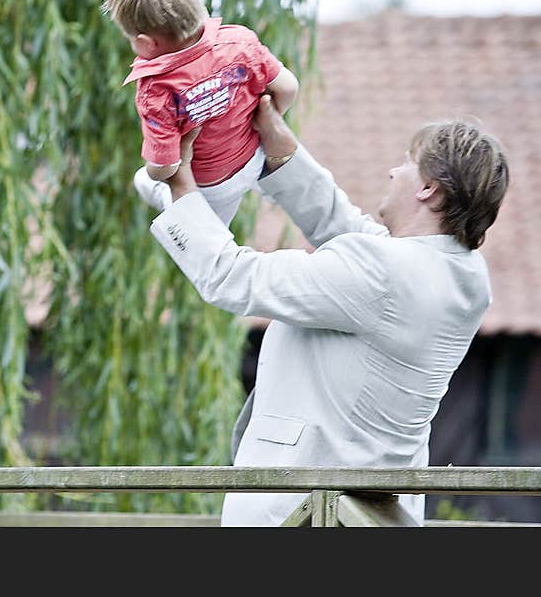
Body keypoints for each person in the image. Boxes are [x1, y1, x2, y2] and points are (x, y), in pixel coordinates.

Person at [146, 95, 509, 526]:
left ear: (427, 188)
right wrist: (281, 151)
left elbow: (232, 276)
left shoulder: (384, 272)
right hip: (374, 514)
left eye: (407, 162)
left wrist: (180, 188)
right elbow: (345, 227)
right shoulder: (464, 276)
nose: (393, 171)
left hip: (305, 512)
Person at [102, 0, 299, 227]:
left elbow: (166, 166)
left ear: (145, 43)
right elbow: (288, 88)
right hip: (253, 155)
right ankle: (265, 183)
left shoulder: (156, 91)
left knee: (146, 180)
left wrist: (153, 171)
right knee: (252, 167)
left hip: (212, 188)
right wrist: (266, 119)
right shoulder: (240, 42)